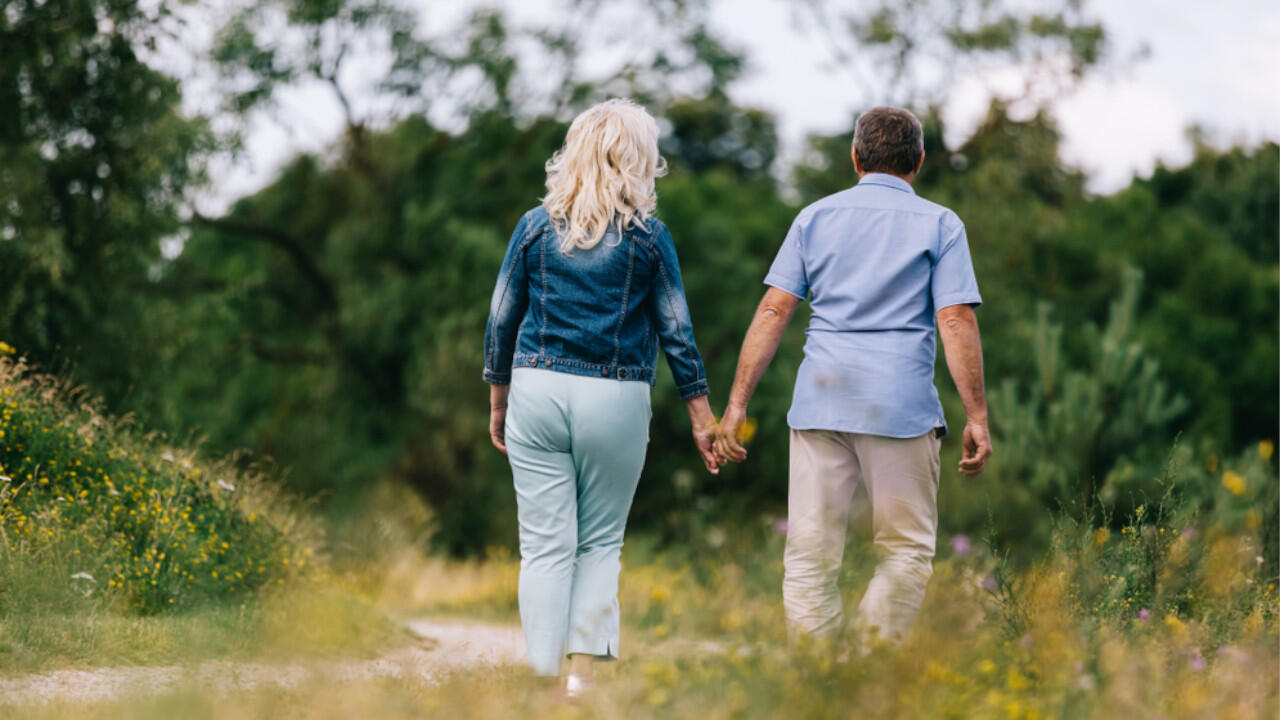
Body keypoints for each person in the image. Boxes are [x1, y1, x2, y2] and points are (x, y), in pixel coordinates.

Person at [714, 106, 991, 648]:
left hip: (821, 403)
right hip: (901, 408)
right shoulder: (941, 223)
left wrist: (737, 404)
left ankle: (820, 678)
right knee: (905, 550)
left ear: (856, 157)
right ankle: (864, 670)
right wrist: (977, 415)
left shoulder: (814, 218)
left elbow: (774, 310)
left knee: (811, 553)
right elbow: (955, 317)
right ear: (919, 162)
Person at [483, 98, 720, 692]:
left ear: (575, 153)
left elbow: (501, 320)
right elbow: (676, 331)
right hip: (615, 397)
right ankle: (579, 684)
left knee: (542, 547)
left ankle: (539, 681)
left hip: (536, 389)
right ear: (641, 160)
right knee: (599, 543)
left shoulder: (534, 227)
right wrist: (701, 415)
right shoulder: (650, 238)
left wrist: (498, 398)